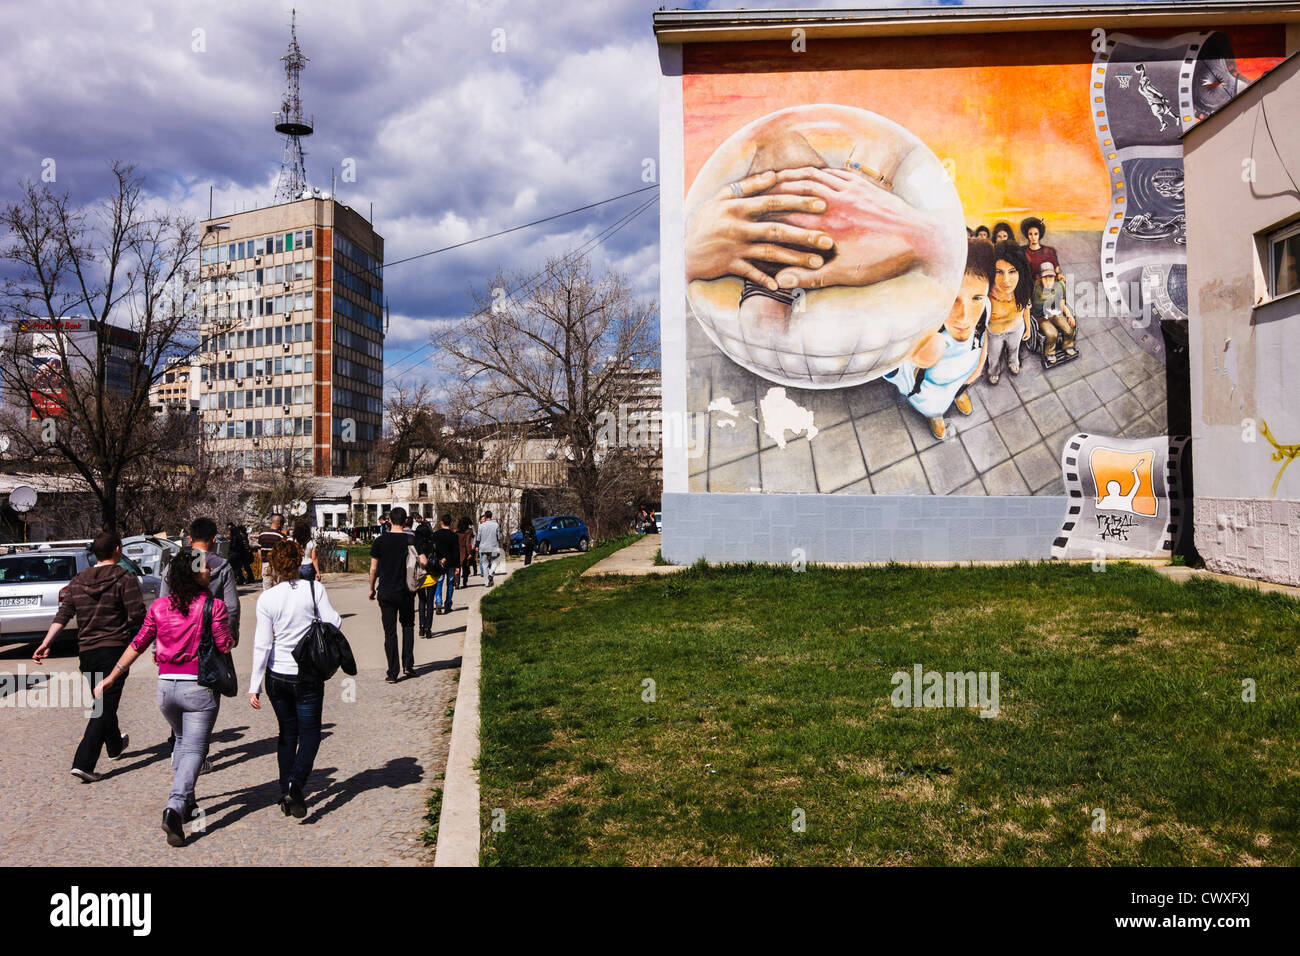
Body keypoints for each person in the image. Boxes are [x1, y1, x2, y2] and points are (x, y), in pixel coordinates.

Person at [93, 548, 234, 847]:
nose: (210, 571)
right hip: (198, 688)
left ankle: (188, 803)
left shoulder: (158, 607)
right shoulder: (214, 606)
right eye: (206, 568)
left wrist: (112, 676)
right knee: (196, 749)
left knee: (182, 743)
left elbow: (139, 643)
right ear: (197, 574)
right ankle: (174, 807)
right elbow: (224, 644)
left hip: (166, 688)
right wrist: (226, 638)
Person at [32, 531, 145, 783]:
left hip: (87, 653)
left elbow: (63, 615)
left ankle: (115, 745)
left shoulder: (77, 580)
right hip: (115, 649)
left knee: (103, 700)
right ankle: (84, 762)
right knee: (104, 705)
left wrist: (45, 643)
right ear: (117, 549)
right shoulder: (124, 578)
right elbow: (137, 614)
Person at [248, 539, 342, 818]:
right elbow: (333, 622)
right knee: (310, 732)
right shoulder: (314, 589)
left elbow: (262, 644)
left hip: (277, 675)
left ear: (274, 565)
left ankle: (283, 789)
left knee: (287, 733)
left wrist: (254, 685)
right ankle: (296, 783)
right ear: (299, 559)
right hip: (308, 674)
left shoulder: (266, 599)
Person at [886, 238, 993, 440]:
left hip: (965, 375)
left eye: (976, 298)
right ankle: (936, 416)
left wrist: (979, 366)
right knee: (935, 407)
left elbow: (984, 331)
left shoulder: (985, 306)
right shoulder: (923, 335)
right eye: (953, 300)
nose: (964, 317)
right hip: (932, 393)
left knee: (961, 388)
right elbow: (895, 370)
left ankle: (959, 393)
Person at [369, 507, 416, 682]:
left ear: (389, 520)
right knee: (408, 626)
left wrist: (371, 588)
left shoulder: (380, 541)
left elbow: (374, 568)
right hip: (405, 591)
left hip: (386, 591)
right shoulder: (411, 539)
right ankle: (408, 665)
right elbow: (423, 561)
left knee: (390, 632)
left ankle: (392, 672)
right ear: (405, 521)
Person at [985, 240, 1033, 386]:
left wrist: (1028, 328)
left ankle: (1013, 362)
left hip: (1016, 329)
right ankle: (993, 371)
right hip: (994, 334)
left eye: (1012, 271)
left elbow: (1026, 308)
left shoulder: (1022, 290)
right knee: (993, 356)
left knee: (1014, 349)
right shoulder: (985, 293)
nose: (1006, 280)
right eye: (999, 272)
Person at [1031, 260, 1078, 365]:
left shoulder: (1058, 287)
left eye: (1051, 277)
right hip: (1042, 317)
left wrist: (1069, 315)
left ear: (1055, 277)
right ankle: (1050, 353)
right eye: (1045, 277)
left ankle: (1068, 346)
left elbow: (1062, 303)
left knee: (1069, 329)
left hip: (1056, 313)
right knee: (1052, 333)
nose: (1048, 281)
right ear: (1039, 278)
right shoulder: (1035, 289)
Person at [413, 518, 438, 639]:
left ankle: (421, 627)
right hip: (432, 576)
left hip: (420, 576)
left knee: (421, 601)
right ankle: (429, 628)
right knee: (430, 602)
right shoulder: (432, 544)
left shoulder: (415, 547)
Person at [431, 515, 460, 613]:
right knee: (450, 582)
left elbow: (433, 549)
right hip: (451, 562)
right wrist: (458, 566)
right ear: (450, 523)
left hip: (440, 563)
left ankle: (438, 602)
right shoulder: (454, 535)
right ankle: (448, 604)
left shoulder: (435, 535)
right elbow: (456, 551)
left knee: (439, 582)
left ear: (441, 522)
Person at [1019, 216, 1061, 282]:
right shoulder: (1022, 251)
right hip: (1026, 284)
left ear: (1039, 234)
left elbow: (1056, 270)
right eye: (1030, 234)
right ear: (1027, 235)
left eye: (1036, 234)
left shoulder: (1049, 251)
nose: (1033, 237)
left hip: (1045, 286)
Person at [258, 514, 287, 592]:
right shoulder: (281, 536)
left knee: (266, 588)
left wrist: (263, 561)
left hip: (265, 564)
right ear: (279, 523)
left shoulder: (262, 534)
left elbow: (259, 551)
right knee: (277, 588)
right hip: (276, 565)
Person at [477, 510, 502, 587]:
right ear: (491, 516)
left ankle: (486, 583)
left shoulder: (481, 526)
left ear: (485, 516)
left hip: (483, 548)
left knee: (484, 565)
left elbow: (478, 538)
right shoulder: (496, 525)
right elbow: (499, 537)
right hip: (493, 547)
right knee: (495, 561)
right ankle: (491, 574)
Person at [456, 518, 475, 587]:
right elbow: (468, 543)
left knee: (457, 567)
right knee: (465, 567)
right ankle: (464, 582)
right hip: (465, 551)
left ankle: (457, 582)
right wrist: (469, 553)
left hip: (457, 551)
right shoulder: (468, 531)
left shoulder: (456, 531)